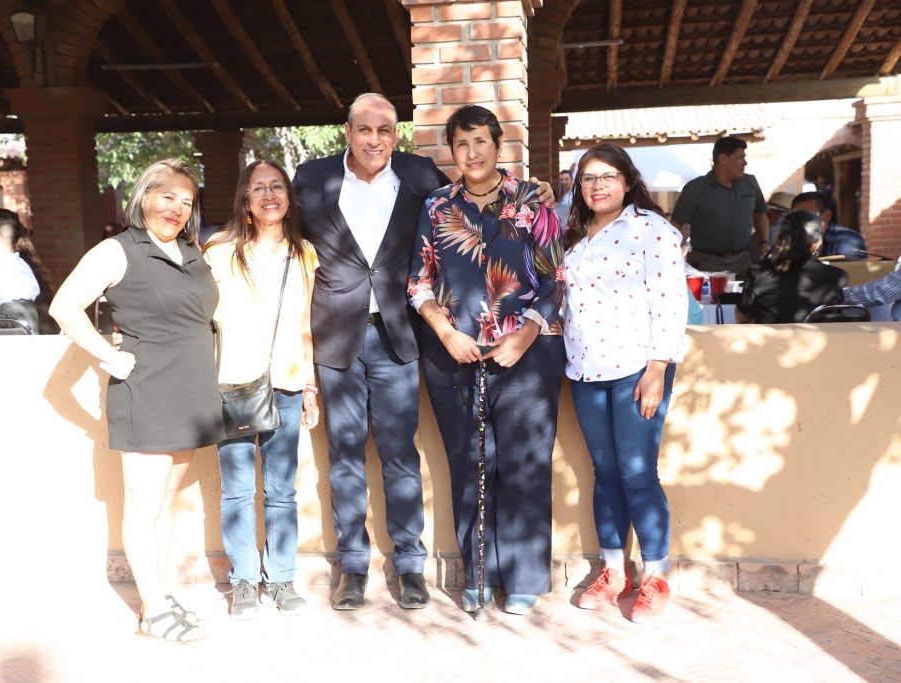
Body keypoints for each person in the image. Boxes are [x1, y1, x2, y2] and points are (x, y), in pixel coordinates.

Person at [293, 93, 554, 611]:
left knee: (406, 455)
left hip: (406, 338)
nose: (374, 140)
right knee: (352, 456)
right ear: (347, 131)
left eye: (384, 130)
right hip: (349, 336)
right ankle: (356, 568)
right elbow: (282, 232)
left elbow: (551, 273)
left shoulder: (424, 178)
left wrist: (525, 331)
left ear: (397, 136)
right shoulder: (318, 179)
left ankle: (416, 566)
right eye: (364, 130)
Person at [49, 159, 222, 643]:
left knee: (163, 504)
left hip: (191, 389)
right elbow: (63, 306)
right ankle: (155, 612)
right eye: (168, 197)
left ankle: (157, 597)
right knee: (144, 508)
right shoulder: (117, 250)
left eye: (186, 201)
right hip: (147, 390)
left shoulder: (190, 250)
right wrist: (108, 356)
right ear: (144, 196)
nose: (177, 208)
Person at [409, 105, 565, 616]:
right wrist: (445, 331)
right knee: (470, 462)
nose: (472, 152)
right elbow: (418, 282)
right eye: (461, 143)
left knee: (524, 463)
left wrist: (525, 334)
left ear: (499, 145)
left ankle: (523, 578)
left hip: (528, 352)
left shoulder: (532, 201)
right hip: (455, 353)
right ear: (451, 151)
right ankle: (479, 573)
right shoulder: (437, 207)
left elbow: (555, 279)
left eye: (481, 141)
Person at [563, 143, 687, 624]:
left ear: (628, 181)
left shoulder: (651, 230)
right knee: (606, 472)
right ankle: (614, 570)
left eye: (607, 176)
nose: (598, 186)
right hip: (585, 371)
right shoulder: (575, 234)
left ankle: (656, 575)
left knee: (638, 473)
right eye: (588, 178)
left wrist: (657, 368)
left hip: (637, 369)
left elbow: (671, 302)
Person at [203, 160, 320, 620]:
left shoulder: (304, 253)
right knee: (236, 491)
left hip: (286, 384)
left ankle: (282, 578)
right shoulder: (218, 251)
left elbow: (307, 324)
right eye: (258, 189)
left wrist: (310, 385)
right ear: (245, 200)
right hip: (232, 383)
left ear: (289, 197)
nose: (269, 195)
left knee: (281, 491)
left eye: (277, 187)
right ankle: (244, 582)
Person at [671, 136, 770, 280]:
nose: (745, 162)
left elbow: (761, 214)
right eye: (740, 157)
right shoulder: (695, 189)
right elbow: (675, 226)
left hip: (742, 262)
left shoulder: (750, 183)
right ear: (723, 159)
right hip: (705, 264)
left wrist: (764, 242)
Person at [735, 209, 847, 324]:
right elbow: (837, 316)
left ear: (779, 239)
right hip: (817, 335)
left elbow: (742, 317)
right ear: (816, 244)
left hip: (771, 335)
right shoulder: (836, 276)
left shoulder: (757, 272)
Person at [790, 191, 867, 260]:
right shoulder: (789, 238)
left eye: (808, 216)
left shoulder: (847, 239)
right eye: (795, 216)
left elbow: (848, 269)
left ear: (827, 216)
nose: (800, 220)